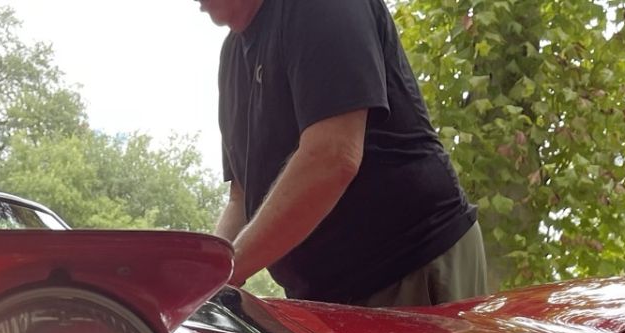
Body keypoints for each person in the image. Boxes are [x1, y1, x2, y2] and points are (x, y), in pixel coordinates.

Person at [197, 0, 488, 307]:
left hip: (411, 264)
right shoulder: (231, 59)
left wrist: (224, 273)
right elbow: (241, 199)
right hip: (326, 300)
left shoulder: (319, 7)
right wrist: (200, 281)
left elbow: (333, 157)